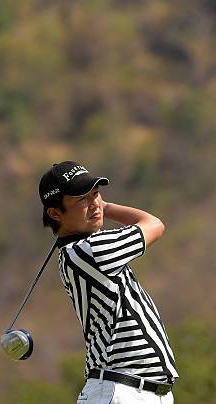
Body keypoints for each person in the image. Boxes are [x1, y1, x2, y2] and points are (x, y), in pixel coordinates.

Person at [39, 161, 179, 403]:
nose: (94, 204)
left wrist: (95, 205)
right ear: (55, 213)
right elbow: (154, 225)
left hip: (136, 391)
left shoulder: (81, 250)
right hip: (122, 390)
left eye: (96, 194)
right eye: (82, 199)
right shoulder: (93, 250)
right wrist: (107, 207)